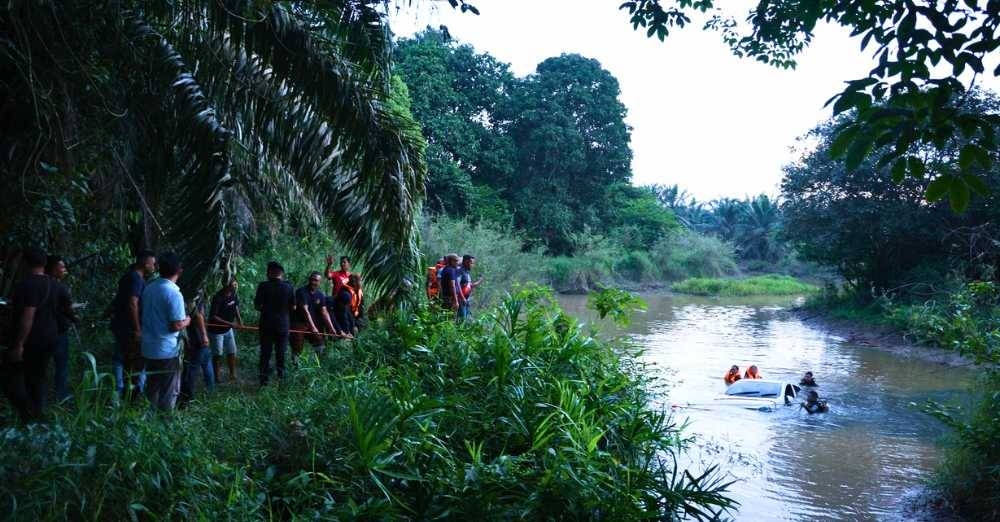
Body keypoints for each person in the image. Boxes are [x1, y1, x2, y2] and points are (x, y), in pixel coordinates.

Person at [3, 248, 71, 422]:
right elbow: (66, 310)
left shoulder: (26, 285)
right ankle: (37, 415)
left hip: (31, 339)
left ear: (25, 264)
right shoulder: (56, 285)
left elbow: (28, 315)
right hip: (50, 337)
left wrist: (19, 344)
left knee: (16, 378)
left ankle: (30, 416)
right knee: (38, 377)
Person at [140, 252, 189, 411]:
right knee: (168, 391)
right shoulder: (174, 293)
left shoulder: (149, 288)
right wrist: (187, 320)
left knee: (152, 388)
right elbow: (176, 325)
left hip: (148, 348)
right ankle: (165, 421)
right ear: (179, 270)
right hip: (166, 350)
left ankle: (149, 420)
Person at [107, 250, 155, 396]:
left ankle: (124, 390)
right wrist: (137, 328)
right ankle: (126, 391)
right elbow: (132, 303)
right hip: (128, 327)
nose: (154, 267)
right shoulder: (136, 279)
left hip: (121, 325)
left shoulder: (128, 277)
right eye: (152, 264)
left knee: (123, 358)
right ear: (145, 264)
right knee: (130, 358)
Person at [255, 261, 294, 386]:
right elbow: (293, 307)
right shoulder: (288, 287)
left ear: (270, 273)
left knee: (265, 353)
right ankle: (281, 381)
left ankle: (263, 381)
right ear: (281, 273)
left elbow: (257, 306)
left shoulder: (263, 286)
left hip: (266, 325)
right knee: (281, 353)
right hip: (282, 325)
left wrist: (267, 309)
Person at [45, 255, 78, 402]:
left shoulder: (40, 285)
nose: (65, 270)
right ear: (53, 269)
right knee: (61, 366)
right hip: (58, 332)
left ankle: (40, 398)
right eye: (62, 267)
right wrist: (76, 319)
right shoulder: (61, 288)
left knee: (41, 366)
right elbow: (68, 310)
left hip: (41, 332)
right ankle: (61, 397)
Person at [291, 272, 335, 360]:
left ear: (320, 282)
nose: (313, 282)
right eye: (312, 279)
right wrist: (313, 328)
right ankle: (296, 364)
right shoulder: (301, 292)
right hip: (299, 323)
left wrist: (331, 328)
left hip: (311, 323)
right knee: (297, 347)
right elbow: (305, 311)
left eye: (316, 280)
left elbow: (324, 312)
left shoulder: (320, 295)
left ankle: (318, 364)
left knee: (320, 343)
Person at [179, 295, 214, 404]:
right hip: (198, 337)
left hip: (196, 337)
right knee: (205, 362)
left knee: (192, 367)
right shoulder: (196, 297)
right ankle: (210, 390)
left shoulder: (191, 298)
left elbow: (199, 316)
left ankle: (188, 397)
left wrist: (203, 335)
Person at [207, 277, 241, 383]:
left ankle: (232, 374)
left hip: (228, 330)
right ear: (226, 285)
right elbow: (214, 316)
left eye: (236, 284)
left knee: (232, 351)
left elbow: (235, 307)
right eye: (233, 284)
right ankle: (216, 377)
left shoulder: (234, 294)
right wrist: (231, 324)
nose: (235, 286)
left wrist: (240, 321)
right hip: (216, 331)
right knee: (218, 354)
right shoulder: (218, 297)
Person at [457, 255, 484, 321]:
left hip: (466, 300)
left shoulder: (466, 272)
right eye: (471, 263)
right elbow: (457, 285)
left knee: (466, 319)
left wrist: (479, 281)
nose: (472, 265)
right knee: (462, 320)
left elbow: (469, 286)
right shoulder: (460, 271)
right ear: (466, 262)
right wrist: (462, 298)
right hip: (461, 300)